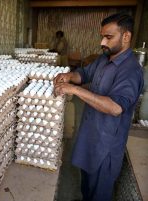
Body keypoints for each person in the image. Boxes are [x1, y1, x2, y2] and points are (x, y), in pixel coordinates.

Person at [53, 13, 144, 201]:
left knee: (99, 193)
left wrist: (75, 91)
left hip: (106, 147)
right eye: (102, 36)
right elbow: (84, 74)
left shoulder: (131, 71)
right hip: (90, 137)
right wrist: (70, 76)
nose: (103, 42)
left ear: (126, 37)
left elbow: (115, 107)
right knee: (86, 187)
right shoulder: (104, 59)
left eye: (109, 37)